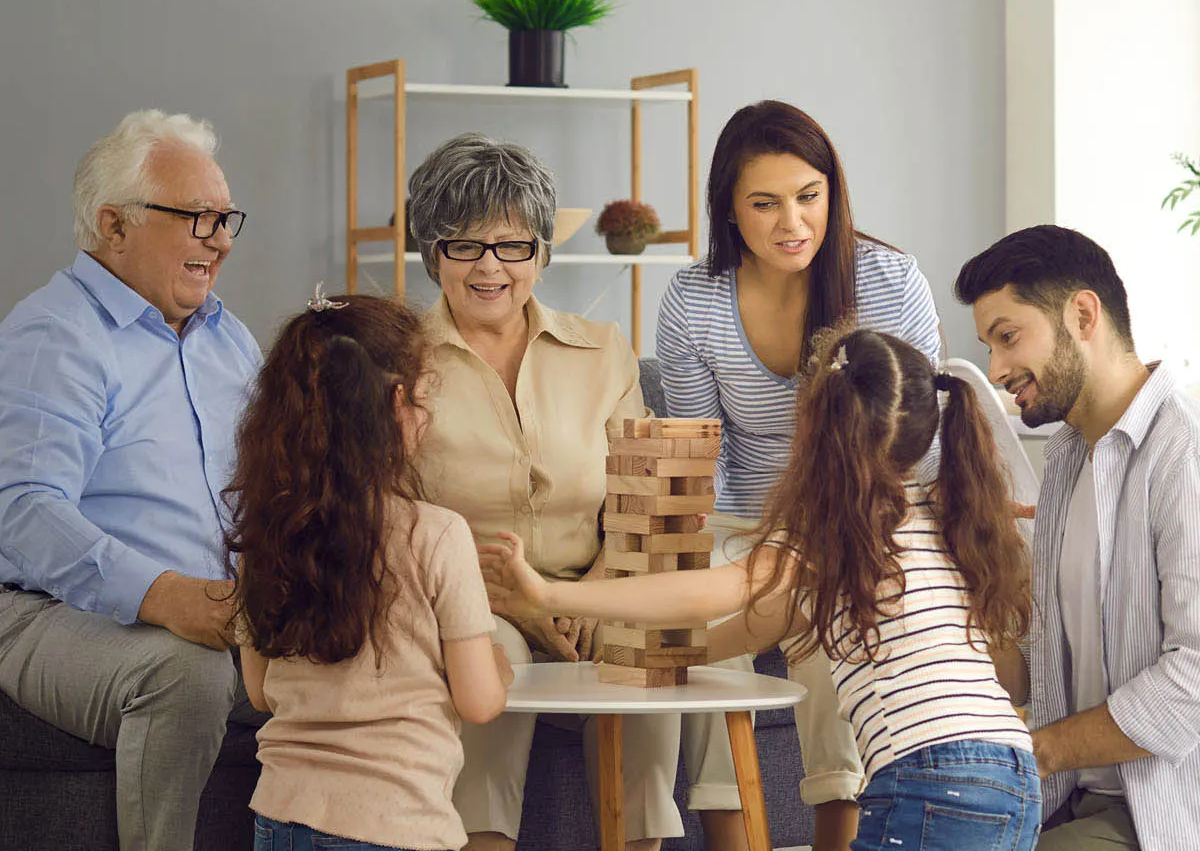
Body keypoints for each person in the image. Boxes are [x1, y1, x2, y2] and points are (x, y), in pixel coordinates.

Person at [484, 325, 1041, 851]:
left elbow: (714, 591)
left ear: (816, 431)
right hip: (1016, 771)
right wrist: (673, 657)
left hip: (926, 777)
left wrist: (550, 595)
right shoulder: (948, 514)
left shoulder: (832, 531)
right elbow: (771, 619)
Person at [406, 133, 732, 851]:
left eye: (513, 245)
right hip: (469, 600)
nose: (491, 267)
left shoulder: (601, 347)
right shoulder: (398, 358)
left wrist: (595, 588)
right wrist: (511, 601)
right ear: (433, 254)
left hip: (596, 589)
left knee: (647, 647)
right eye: (464, 245)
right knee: (484, 663)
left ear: (542, 253)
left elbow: (638, 496)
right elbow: (396, 518)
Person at [0, 110, 259, 851]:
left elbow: (269, 491)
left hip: (225, 610)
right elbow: (26, 512)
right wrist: (166, 596)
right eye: (196, 218)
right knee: (186, 673)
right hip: (46, 615)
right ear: (114, 226)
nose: (220, 241)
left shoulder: (231, 339)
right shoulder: (52, 337)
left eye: (225, 220)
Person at [655, 100, 943, 850]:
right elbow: (696, 456)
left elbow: (918, 440)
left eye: (809, 196)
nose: (793, 222)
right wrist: (694, 543)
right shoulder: (694, 299)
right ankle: (727, 834)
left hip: (858, 509)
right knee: (706, 603)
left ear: (832, 192)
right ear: (728, 209)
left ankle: (834, 832)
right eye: (765, 203)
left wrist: (833, 530)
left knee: (827, 591)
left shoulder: (888, 280)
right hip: (738, 516)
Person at [228, 291, 512, 851]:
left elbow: (260, 693)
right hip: (394, 826)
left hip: (279, 818)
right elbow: (480, 701)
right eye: (426, 396)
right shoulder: (436, 534)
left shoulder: (265, 534)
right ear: (398, 402)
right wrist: (497, 662)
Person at [956, 225, 1200, 850]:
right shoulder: (1068, 454)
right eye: (989, 346)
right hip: (1070, 800)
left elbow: (1194, 680)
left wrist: (1037, 752)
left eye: (1008, 338)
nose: (997, 369)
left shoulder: (1185, 451)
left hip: (1164, 810)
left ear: (1083, 314)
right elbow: (1044, 672)